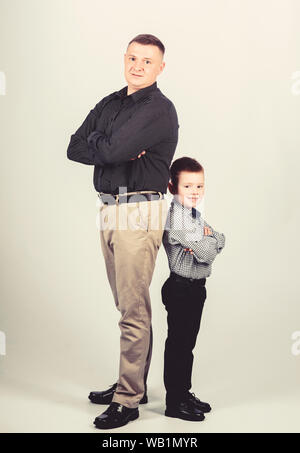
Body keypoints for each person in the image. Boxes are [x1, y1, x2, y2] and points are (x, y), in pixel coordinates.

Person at [66, 34, 179, 429]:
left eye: (147, 61)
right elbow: (74, 146)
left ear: (160, 67)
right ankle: (134, 384)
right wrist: (107, 142)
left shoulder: (159, 110)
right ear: (125, 59)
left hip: (138, 212)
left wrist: (109, 146)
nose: (137, 66)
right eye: (132, 58)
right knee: (125, 305)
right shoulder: (111, 103)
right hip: (109, 210)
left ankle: (128, 399)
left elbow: (110, 154)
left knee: (133, 309)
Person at [161, 157, 225, 421]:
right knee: (179, 346)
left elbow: (219, 238)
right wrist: (211, 238)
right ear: (172, 187)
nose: (195, 192)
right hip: (181, 289)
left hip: (196, 288)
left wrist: (212, 238)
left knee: (188, 345)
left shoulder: (194, 215)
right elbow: (208, 251)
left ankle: (183, 393)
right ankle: (174, 402)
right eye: (188, 186)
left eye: (199, 186)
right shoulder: (179, 220)